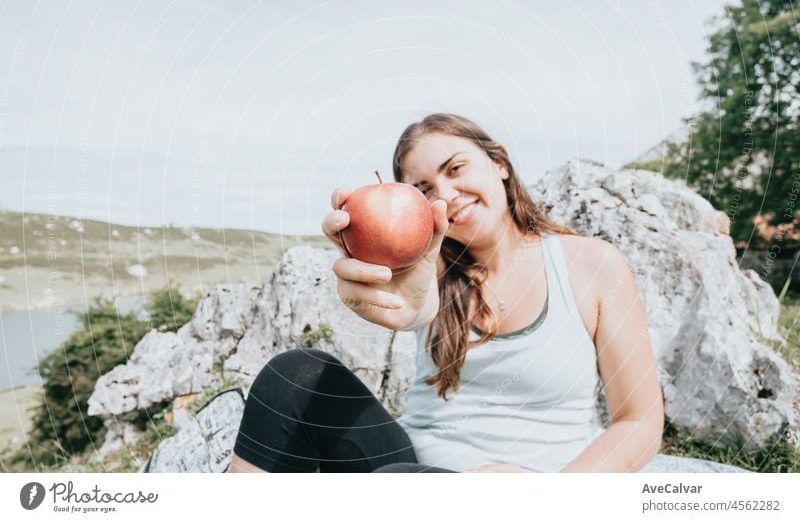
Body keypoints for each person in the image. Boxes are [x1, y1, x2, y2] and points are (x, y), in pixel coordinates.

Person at [228, 113, 664, 473]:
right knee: (297, 375)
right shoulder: (427, 268)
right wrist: (399, 298)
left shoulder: (591, 265)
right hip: (407, 474)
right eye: (424, 191)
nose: (448, 196)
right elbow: (414, 307)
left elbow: (639, 421)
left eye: (456, 169)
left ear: (500, 163)